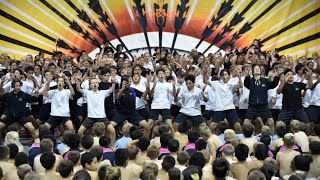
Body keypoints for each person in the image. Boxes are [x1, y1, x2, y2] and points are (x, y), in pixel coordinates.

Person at [76, 78, 116, 146]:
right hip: (90, 117)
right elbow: (78, 89)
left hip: (102, 117)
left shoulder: (102, 92)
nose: (94, 84)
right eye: (93, 83)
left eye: (96, 82)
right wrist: (78, 82)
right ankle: (82, 146)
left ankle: (112, 147)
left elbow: (112, 89)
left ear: (98, 85)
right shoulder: (87, 92)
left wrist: (113, 82)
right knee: (79, 132)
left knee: (112, 131)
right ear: (90, 86)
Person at [244, 64, 280, 135]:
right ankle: (248, 137)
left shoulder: (265, 81)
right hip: (252, 106)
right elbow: (246, 84)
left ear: (261, 71)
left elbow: (273, 85)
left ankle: (272, 138)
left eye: (258, 68)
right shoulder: (250, 80)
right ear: (253, 72)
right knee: (245, 123)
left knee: (271, 122)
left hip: (263, 106)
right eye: (255, 68)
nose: (257, 69)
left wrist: (276, 77)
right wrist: (247, 76)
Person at [277, 69, 312, 134]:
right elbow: (278, 91)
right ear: (285, 77)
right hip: (286, 110)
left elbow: (310, 86)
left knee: (308, 125)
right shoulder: (284, 85)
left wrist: (310, 77)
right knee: (279, 125)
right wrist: (284, 82)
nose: (290, 76)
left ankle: (306, 138)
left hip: (299, 109)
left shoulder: (298, 84)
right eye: (288, 75)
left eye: (291, 74)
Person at [148, 68, 176, 136]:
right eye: (159, 74)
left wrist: (174, 86)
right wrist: (153, 87)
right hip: (155, 106)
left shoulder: (168, 84)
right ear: (157, 76)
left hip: (165, 106)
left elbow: (174, 94)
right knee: (149, 125)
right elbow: (151, 95)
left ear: (165, 75)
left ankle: (174, 141)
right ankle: (147, 141)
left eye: (162, 73)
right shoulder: (153, 84)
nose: (161, 75)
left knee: (170, 125)